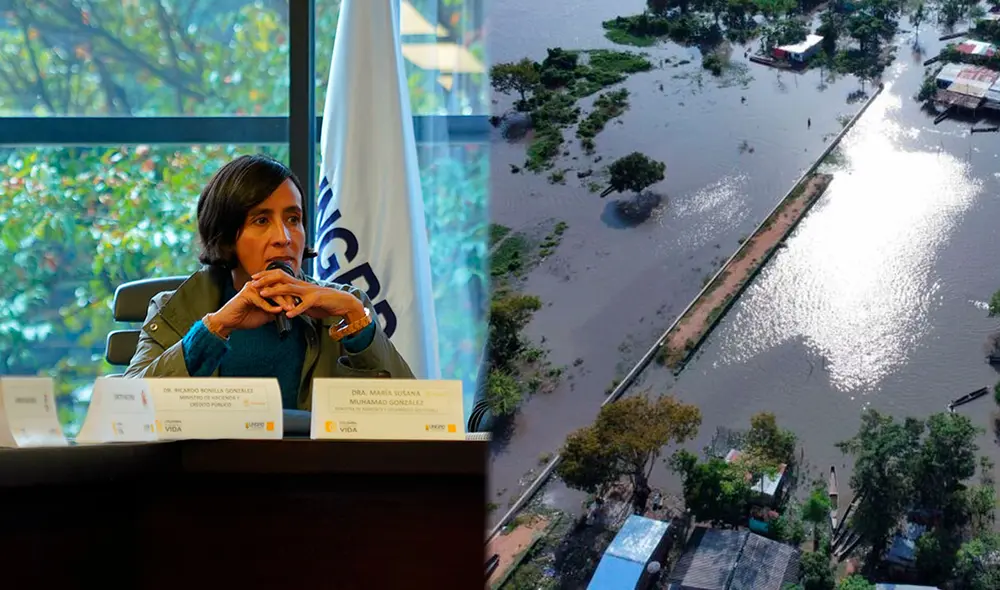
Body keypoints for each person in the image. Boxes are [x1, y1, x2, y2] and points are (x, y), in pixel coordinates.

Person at [125, 154, 414, 410]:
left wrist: (358, 324)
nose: (284, 238)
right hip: (206, 469)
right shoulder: (173, 308)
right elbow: (126, 410)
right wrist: (216, 327)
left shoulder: (346, 306)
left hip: (314, 468)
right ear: (226, 235)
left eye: (293, 219)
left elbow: (413, 415)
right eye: (261, 221)